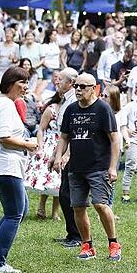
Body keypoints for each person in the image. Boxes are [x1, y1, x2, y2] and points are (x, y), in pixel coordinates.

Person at [52, 73, 122, 261]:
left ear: (94, 88)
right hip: (76, 168)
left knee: (100, 204)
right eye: (76, 86)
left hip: (99, 166)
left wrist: (113, 167)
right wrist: (58, 157)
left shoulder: (102, 109)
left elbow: (115, 139)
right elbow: (65, 137)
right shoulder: (71, 110)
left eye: (83, 86)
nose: (78, 90)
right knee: (78, 207)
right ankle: (87, 246)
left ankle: (113, 243)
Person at [0, 67, 38, 273]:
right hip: (3, 164)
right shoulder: (5, 106)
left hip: (1, 164)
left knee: (21, 210)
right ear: (11, 83)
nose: (26, 87)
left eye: (27, 83)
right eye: (22, 83)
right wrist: (27, 145)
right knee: (14, 213)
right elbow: (4, 138)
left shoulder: (3, 103)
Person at [49, 68, 82, 247]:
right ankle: (71, 233)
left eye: (60, 79)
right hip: (65, 152)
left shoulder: (72, 102)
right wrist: (55, 155)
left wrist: (65, 155)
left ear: (70, 83)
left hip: (74, 155)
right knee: (63, 194)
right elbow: (63, 134)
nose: (57, 82)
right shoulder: (65, 100)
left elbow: (73, 134)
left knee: (69, 194)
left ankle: (77, 236)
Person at [26, 91, 62, 220]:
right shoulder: (51, 110)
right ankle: (41, 206)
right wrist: (40, 147)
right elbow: (40, 129)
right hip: (49, 143)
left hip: (62, 145)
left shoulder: (70, 110)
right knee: (47, 176)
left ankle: (55, 211)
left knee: (58, 179)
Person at [0, 29, 19, 97]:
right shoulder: (0, 45)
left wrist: (13, 59)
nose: (8, 35)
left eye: (10, 33)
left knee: (9, 87)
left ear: (13, 35)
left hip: (10, 70)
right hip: (0, 69)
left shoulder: (16, 46)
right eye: (6, 33)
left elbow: (17, 59)